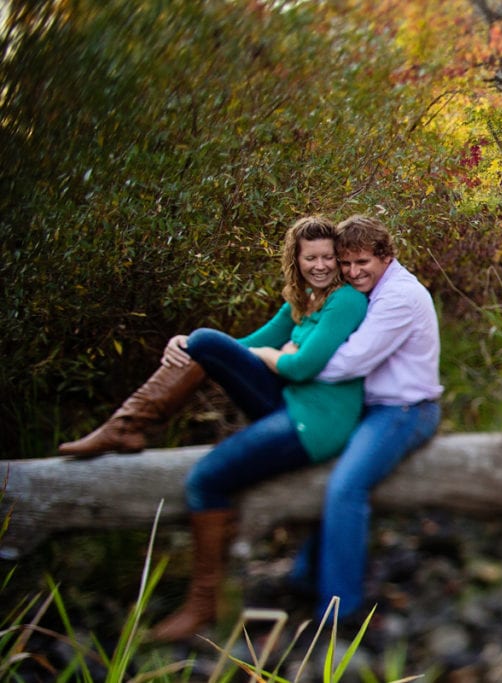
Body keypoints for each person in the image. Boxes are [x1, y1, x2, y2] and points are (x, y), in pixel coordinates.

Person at [57, 215, 369, 642]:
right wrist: (185, 346)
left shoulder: (345, 301)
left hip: (316, 420)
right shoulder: (303, 299)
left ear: (338, 257)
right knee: (202, 341)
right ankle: (127, 425)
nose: (320, 265)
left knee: (205, 480)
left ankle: (205, 603)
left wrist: (266, 353)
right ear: (295, 261)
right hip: (290, 402)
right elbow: (237, 349)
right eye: (310, 257)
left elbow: (303, 365)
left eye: (328, 257)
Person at [288, 213, 443, 622]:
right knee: (328, 478)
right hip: (374, 410)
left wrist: (296, 362)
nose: (354, 272)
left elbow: (350, 362)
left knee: (345, 489)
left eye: (363, 263)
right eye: (347, 264)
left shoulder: (399, 297)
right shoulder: (375, 290)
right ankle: (304, 577)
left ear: (386, 256)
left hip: (405, 411)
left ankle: (340, 607)